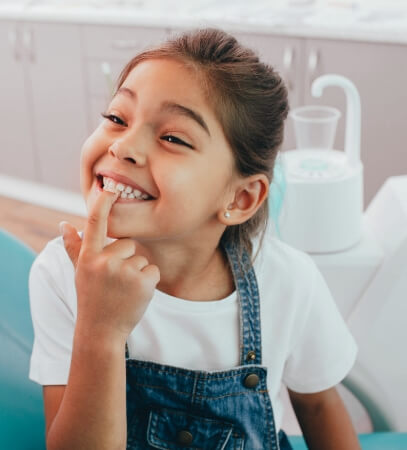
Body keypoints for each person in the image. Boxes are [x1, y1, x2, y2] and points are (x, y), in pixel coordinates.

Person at [28, 28, 359, 449]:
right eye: (117, 118)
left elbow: (319, 407)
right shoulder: (61, 273)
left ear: (240, 198)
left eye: (172, 138)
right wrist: (100, 329)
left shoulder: (291, 281)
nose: (124, 146)